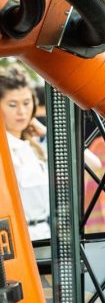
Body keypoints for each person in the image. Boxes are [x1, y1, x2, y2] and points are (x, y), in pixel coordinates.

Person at [0, 66, 50, 240]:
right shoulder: (5, 150)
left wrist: (44, 131)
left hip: (45, 234)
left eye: (27, 103)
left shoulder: (33, 146)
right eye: (12, 105)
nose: (21, 111)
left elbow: (91, 163)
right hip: (16, 238)